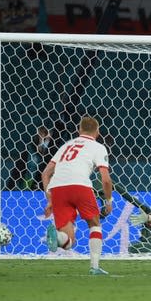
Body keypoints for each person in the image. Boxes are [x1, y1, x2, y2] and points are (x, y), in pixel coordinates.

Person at [41, 116, 113, 275]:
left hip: (58, 188)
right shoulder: (98, 147)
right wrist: (108, 201)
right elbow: (106, 180)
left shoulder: (66, 145)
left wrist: (49, 199)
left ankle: (55, 238)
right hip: (80, 186)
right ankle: (94, 268)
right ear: (98, 132)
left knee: (68, 242)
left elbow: (45, 174)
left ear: (79, 130)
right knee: (94, 224)